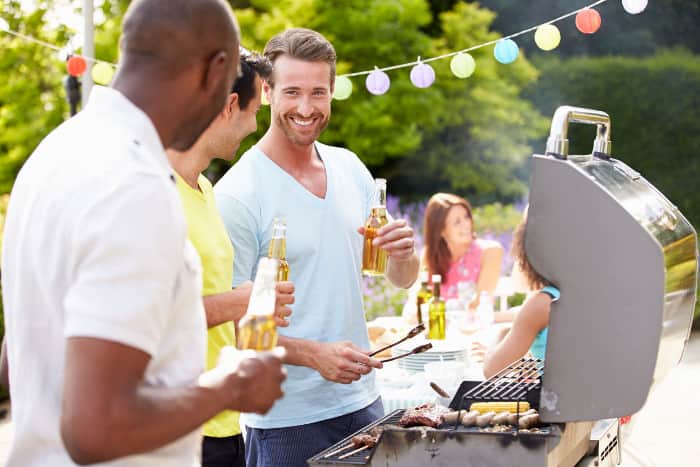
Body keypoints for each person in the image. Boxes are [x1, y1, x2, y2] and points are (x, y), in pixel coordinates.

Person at [0, 1, 286, 466]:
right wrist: (230, 386)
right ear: (217, 71)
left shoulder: (53, 155)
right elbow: (96, 429)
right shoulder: (135, 185)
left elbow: (17, 360)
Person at [214, 28, 420, 467]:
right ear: (267, 92)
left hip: (364, 404)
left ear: (331, 93)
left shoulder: (350, 168)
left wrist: (404, 255)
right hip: (285, 421)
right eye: (292, 92)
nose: (306, 108)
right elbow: (232, 329)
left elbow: (398, 279)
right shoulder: (238, 194)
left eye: (318, 93)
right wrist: (311, 354)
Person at [166, 50, 294, 467]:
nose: (256, 126)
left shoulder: (204, 188)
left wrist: (253, 308)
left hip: (223, 424)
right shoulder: (154, 194)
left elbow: (215, 306)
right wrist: (240, 301)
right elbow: (144, 317)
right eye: (255, 110)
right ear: (229, 105)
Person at [482, 216, 560, 378]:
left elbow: (492, 371)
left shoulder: (542, 303)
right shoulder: (591, 293)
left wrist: (500, 335)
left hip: (557, 401)